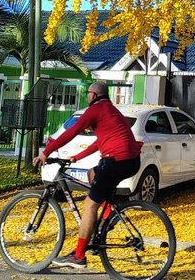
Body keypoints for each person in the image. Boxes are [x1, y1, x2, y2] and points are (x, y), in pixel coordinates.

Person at [33, 81, 142, 269]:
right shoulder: (112, 111)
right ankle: (107, 214)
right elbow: (100, 142)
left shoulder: (94, 110)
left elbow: (71, 132)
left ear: (93, 95)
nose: (86, 97)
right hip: (131, 161)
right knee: (93, 173)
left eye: (87, 93)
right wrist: (78, 157)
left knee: (89, 205)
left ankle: (79, 256)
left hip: (116, 161)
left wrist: (46, 152)